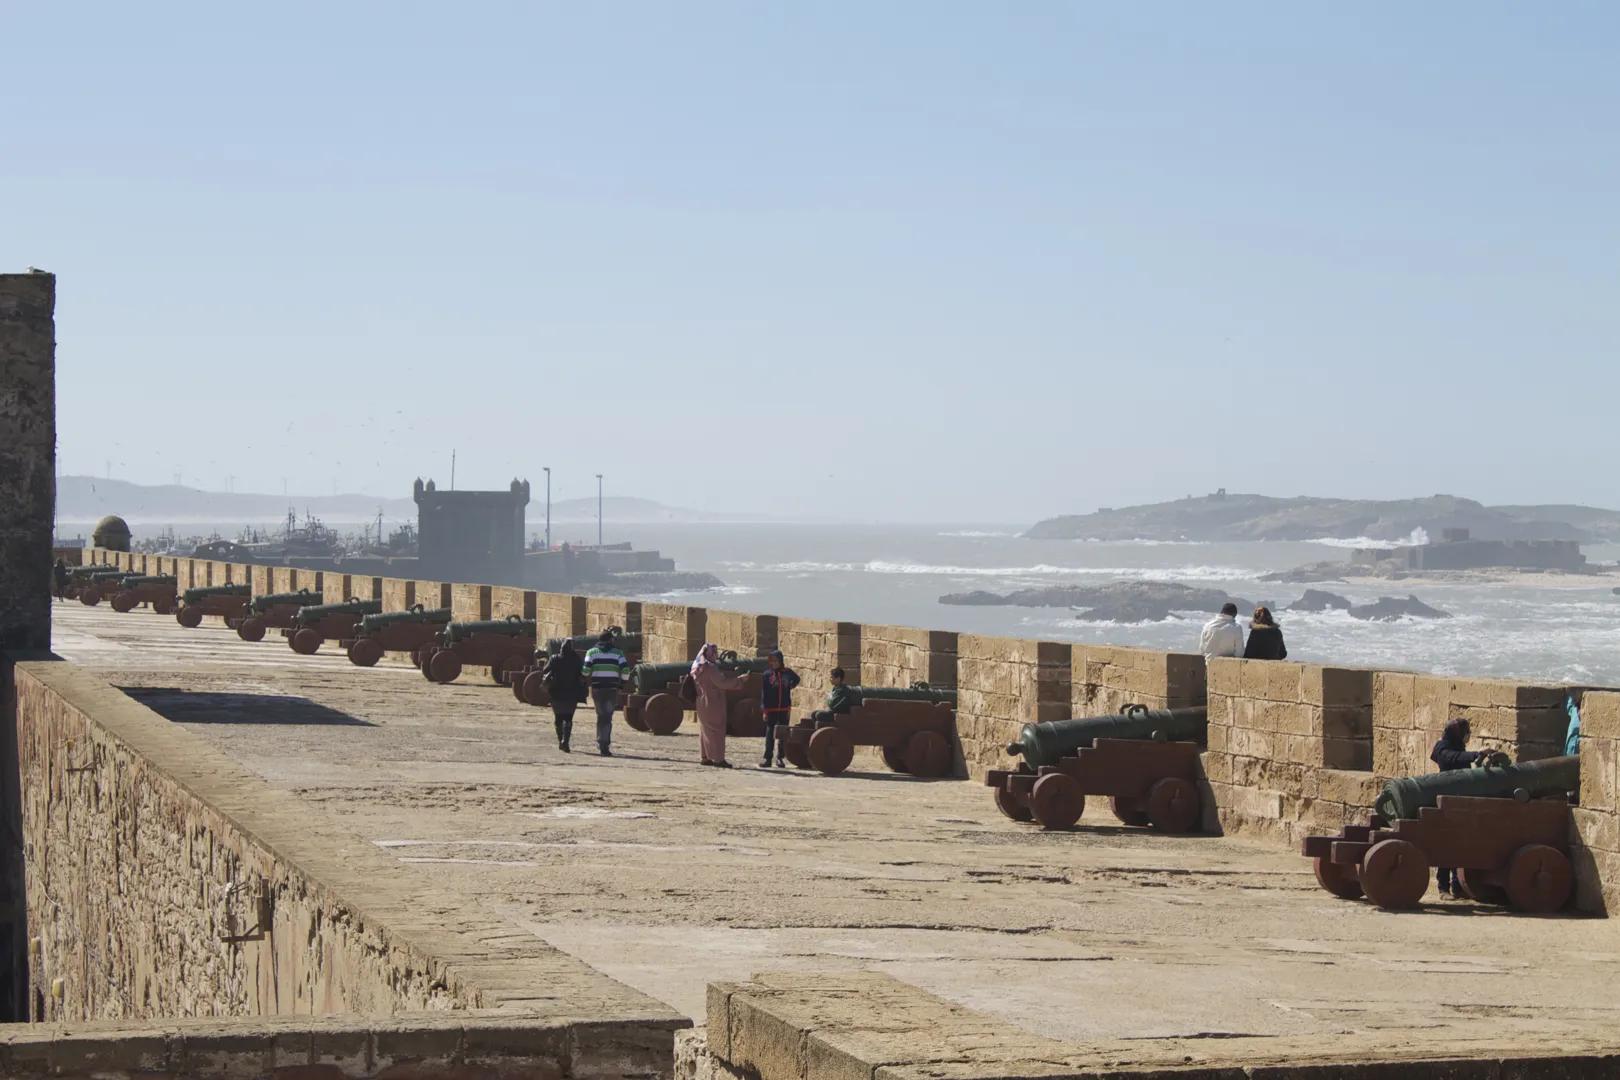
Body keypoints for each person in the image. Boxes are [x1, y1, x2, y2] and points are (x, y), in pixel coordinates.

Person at [1430, 718, 1487, 899]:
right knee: (1446, 846)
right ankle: (1443, 887)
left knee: (1459, 846)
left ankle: (1458, 886)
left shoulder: (1458, 747)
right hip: (1446, 803)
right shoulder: (1442, 748)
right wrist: (1475, 754)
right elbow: (1451, 758)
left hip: (1459, 801)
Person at [690, 642, 743, 768]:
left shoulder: (698, 667)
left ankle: (706, 756)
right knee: (716, 730)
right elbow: (722, 683)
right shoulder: (710, 668)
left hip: (702, 701)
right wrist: (740, 680)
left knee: (705, 729)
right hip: (712, 702)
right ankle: (718, 759)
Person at [582, 631, 630, 756]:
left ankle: (600, 741)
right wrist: (622, 684)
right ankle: (605, 744)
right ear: (610, 640)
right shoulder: (618, 653)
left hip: (597, 689)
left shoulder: (591, 652)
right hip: (612, 689)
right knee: (608, 717)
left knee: (600, 715)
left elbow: (586, 671)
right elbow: (625, 670)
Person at [759, 649, 800, 768]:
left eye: (777, 661)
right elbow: (764, 693)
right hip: (771, 709)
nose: (774, 663)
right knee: (770, 734)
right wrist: (765, 710)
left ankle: (780, 758)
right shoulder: (767, 675)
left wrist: (790, 686)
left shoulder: (787, 673)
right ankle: (767, 758)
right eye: (773, 661)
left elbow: (796, 679)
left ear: (781, 661)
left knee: (782, 734)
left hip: (784, 708)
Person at [542, 639, 585, 752]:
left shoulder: (555, 658)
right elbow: (582, 673)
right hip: (572, 693)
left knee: (558, 719)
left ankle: (560, 739)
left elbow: (545, 670)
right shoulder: (576, 659)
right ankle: (565, 741)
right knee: (568, 718)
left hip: (556, 692)